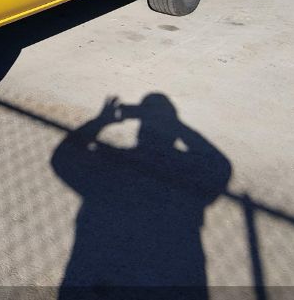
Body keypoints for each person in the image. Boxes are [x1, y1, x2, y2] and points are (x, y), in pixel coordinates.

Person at [51, 94, 231, 300]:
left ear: (140, 131)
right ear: (171, 132)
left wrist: (101, 121)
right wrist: (175, 125)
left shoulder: (113, 162)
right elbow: (221, 166)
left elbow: (63, 157)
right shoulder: (186, 169)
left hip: (98, 282)